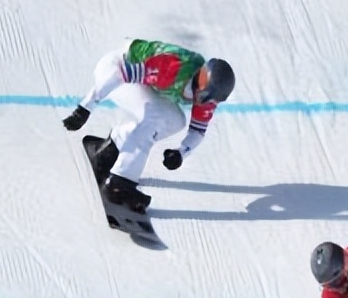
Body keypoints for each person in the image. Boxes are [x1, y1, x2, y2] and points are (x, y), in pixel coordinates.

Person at [62, 39, 235, 214]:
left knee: (175, 120)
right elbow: (120, 75)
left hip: (137, 82)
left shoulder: (207, 94)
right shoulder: (173, 68)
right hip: (114, 71)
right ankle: (119, 184)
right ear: (201, 82)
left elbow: (198, 130)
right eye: (206, 96)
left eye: (212, 100)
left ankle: (111, 150)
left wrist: (181, 153)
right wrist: (86, 107)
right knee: (156, 117)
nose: (206, 103)